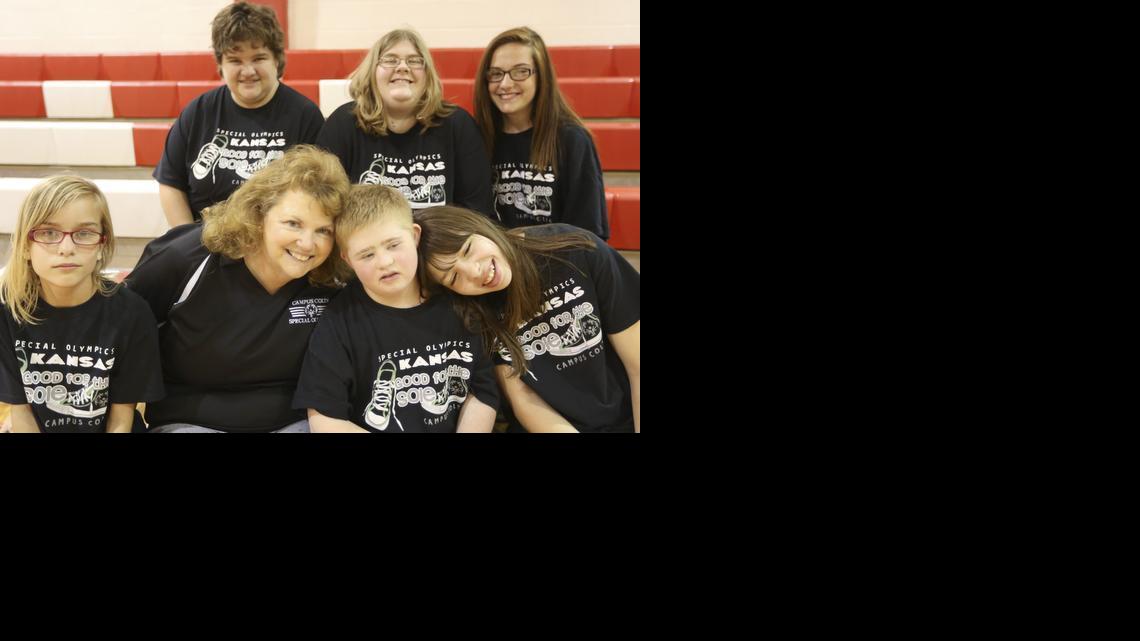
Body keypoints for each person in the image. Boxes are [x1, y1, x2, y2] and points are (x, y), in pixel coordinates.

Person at [126, 145, 350, 433]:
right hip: (191, 422)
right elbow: (118, 327)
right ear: (259, 215)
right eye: (293, 224)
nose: (307, 243)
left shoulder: (333, 277)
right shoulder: (188, 256)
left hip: (297, 424)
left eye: (323, 231)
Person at [293, 185, 498, 433]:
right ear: (347, 259)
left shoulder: (457, 301)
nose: (385, 262)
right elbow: (325, 419)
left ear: (414, 236)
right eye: (367, 255)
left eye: (393, 245)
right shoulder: (339, 321)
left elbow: (482, 391)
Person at [417, 207, 638, 433]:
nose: (475, 271)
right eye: (454, 277)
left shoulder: (572, 249)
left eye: (467, 249)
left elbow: (637, 364)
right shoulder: (471, 314)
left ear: (478, 227)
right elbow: (524, 400)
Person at [0, 176, 164, 433]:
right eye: (48, 233)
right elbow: (22, 413)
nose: (66, 248)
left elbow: (120, 420)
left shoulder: (131, 313)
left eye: (84, 233)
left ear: (103, 244)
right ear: (24, 245)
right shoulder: (8, 310)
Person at [153, 1, 325, 226]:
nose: (248, 71)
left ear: (277, 60)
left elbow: (316, 196)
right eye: (235, 60)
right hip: (204, 242)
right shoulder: (197, 112)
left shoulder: (306, 116)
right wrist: (187, 243)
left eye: (258, 58)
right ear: (220, 65)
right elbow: (171, 184)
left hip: (276, 249)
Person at [316, 28, 494, 216]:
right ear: (372, 72)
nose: (402, 67)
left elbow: (478, 213)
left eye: (414, 61)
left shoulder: (458, 125)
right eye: (390, 60)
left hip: (441, 243)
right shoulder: (343, 123)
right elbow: (322, 205)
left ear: (427, 75)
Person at [473, 27, 609, 239]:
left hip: (558, 264)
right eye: (496, 74)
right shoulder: (477, 138)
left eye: (520, 71)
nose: (505, 84)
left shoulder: (573, 141)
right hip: (496, 266)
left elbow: (587, 234)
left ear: (541, 76)